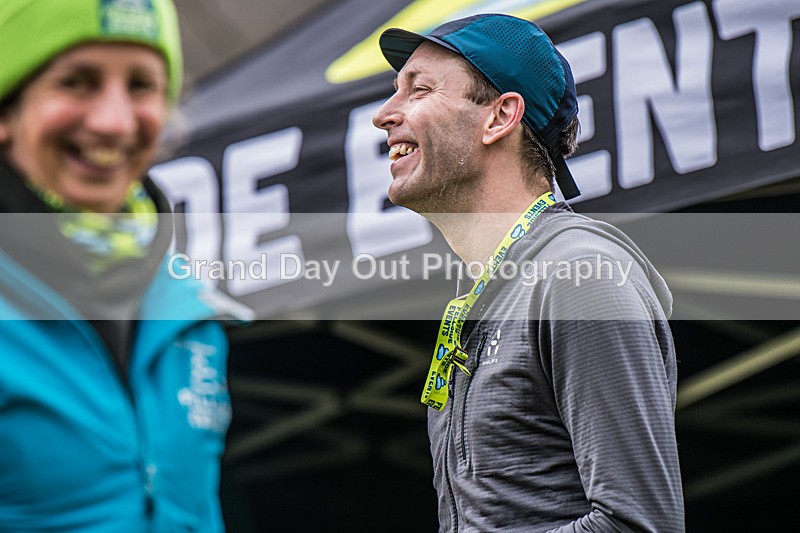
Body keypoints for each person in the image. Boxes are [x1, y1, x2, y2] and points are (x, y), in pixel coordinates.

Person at [373, 14, 684, 532]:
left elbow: (638, 523)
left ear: (499, 118)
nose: (384, 114)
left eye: (419, 90)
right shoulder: (496, 290)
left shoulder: (579, 276)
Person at [0, 0, 251, 531]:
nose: (114, 122)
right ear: (7, 110)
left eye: (141, 86)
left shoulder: (191, 310)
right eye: (76, 81)